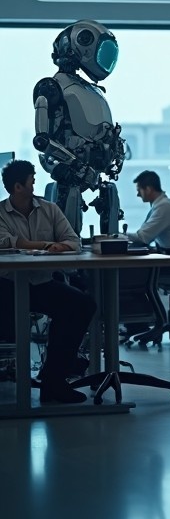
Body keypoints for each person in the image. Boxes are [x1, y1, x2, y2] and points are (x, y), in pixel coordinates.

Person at [0, 159, 96, 403]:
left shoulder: (50, 209)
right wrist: (46, 245)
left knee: (81, 305)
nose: (35, 184)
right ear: (18, 187)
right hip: (7, 286)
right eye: (32, 180)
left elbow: (73, 241)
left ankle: (53, 381)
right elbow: (8, 242)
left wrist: (58, 245)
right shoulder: (0, 213)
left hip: (40, 284)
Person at [126, 170, 170, 249]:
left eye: (139, 190)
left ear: (148, 189)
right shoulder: (161, 205)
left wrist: (119, 236)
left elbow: (143, 238)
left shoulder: (164, 207)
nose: (138, 195)